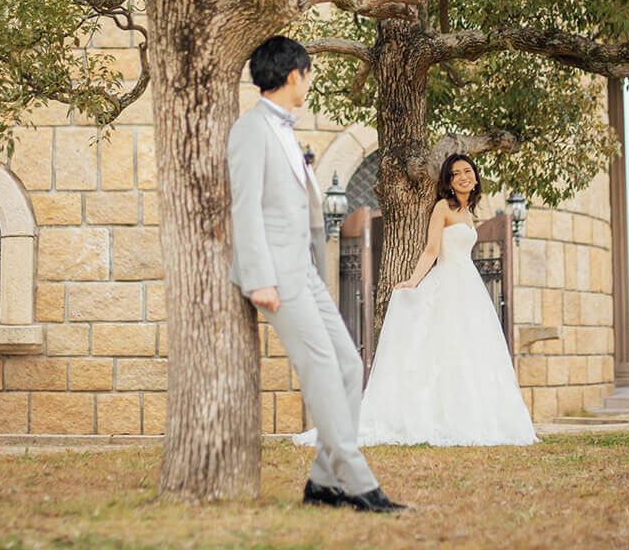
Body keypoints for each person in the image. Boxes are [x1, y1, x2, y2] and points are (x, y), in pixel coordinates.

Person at [228, 35, 406, 513]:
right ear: (293, 75)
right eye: (308, 74)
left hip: (305, 272)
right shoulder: (250, 129)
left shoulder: (286, 129)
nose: (309, 82)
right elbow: (243, 209)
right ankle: (358, 481)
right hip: (277, 276)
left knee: (349, 365)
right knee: (323, 369)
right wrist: (258, 277)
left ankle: (323, 483)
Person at [336, 152, 539, 446]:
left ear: (475, 176)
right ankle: (436, 415)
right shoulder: (442, 207)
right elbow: (431, 250)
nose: (463, 177)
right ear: (448, 181)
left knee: (470, 350)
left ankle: (472, 416)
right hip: (446, 282)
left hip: (469, 287)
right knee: (441, 347)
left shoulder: (470, 212)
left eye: (467, 171)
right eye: (456, 174)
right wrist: (413, 282)